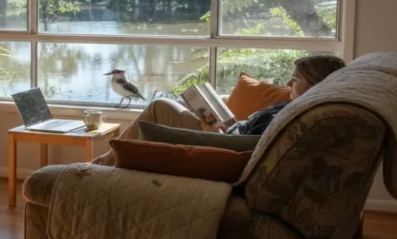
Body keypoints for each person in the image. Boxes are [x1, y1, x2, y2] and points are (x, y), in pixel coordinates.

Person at [93, 54, 347, 166]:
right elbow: (250, 132)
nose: (289, 84)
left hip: (219, 142)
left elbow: (245, 147)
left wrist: (211, 128)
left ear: (316, 83)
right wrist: (229, 122)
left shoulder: (295, 114)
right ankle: (109, 163)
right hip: (228, 130)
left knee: (159, 107)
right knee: (173, 106)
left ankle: (101, 165)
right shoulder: (297, 104)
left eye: (296, 79)